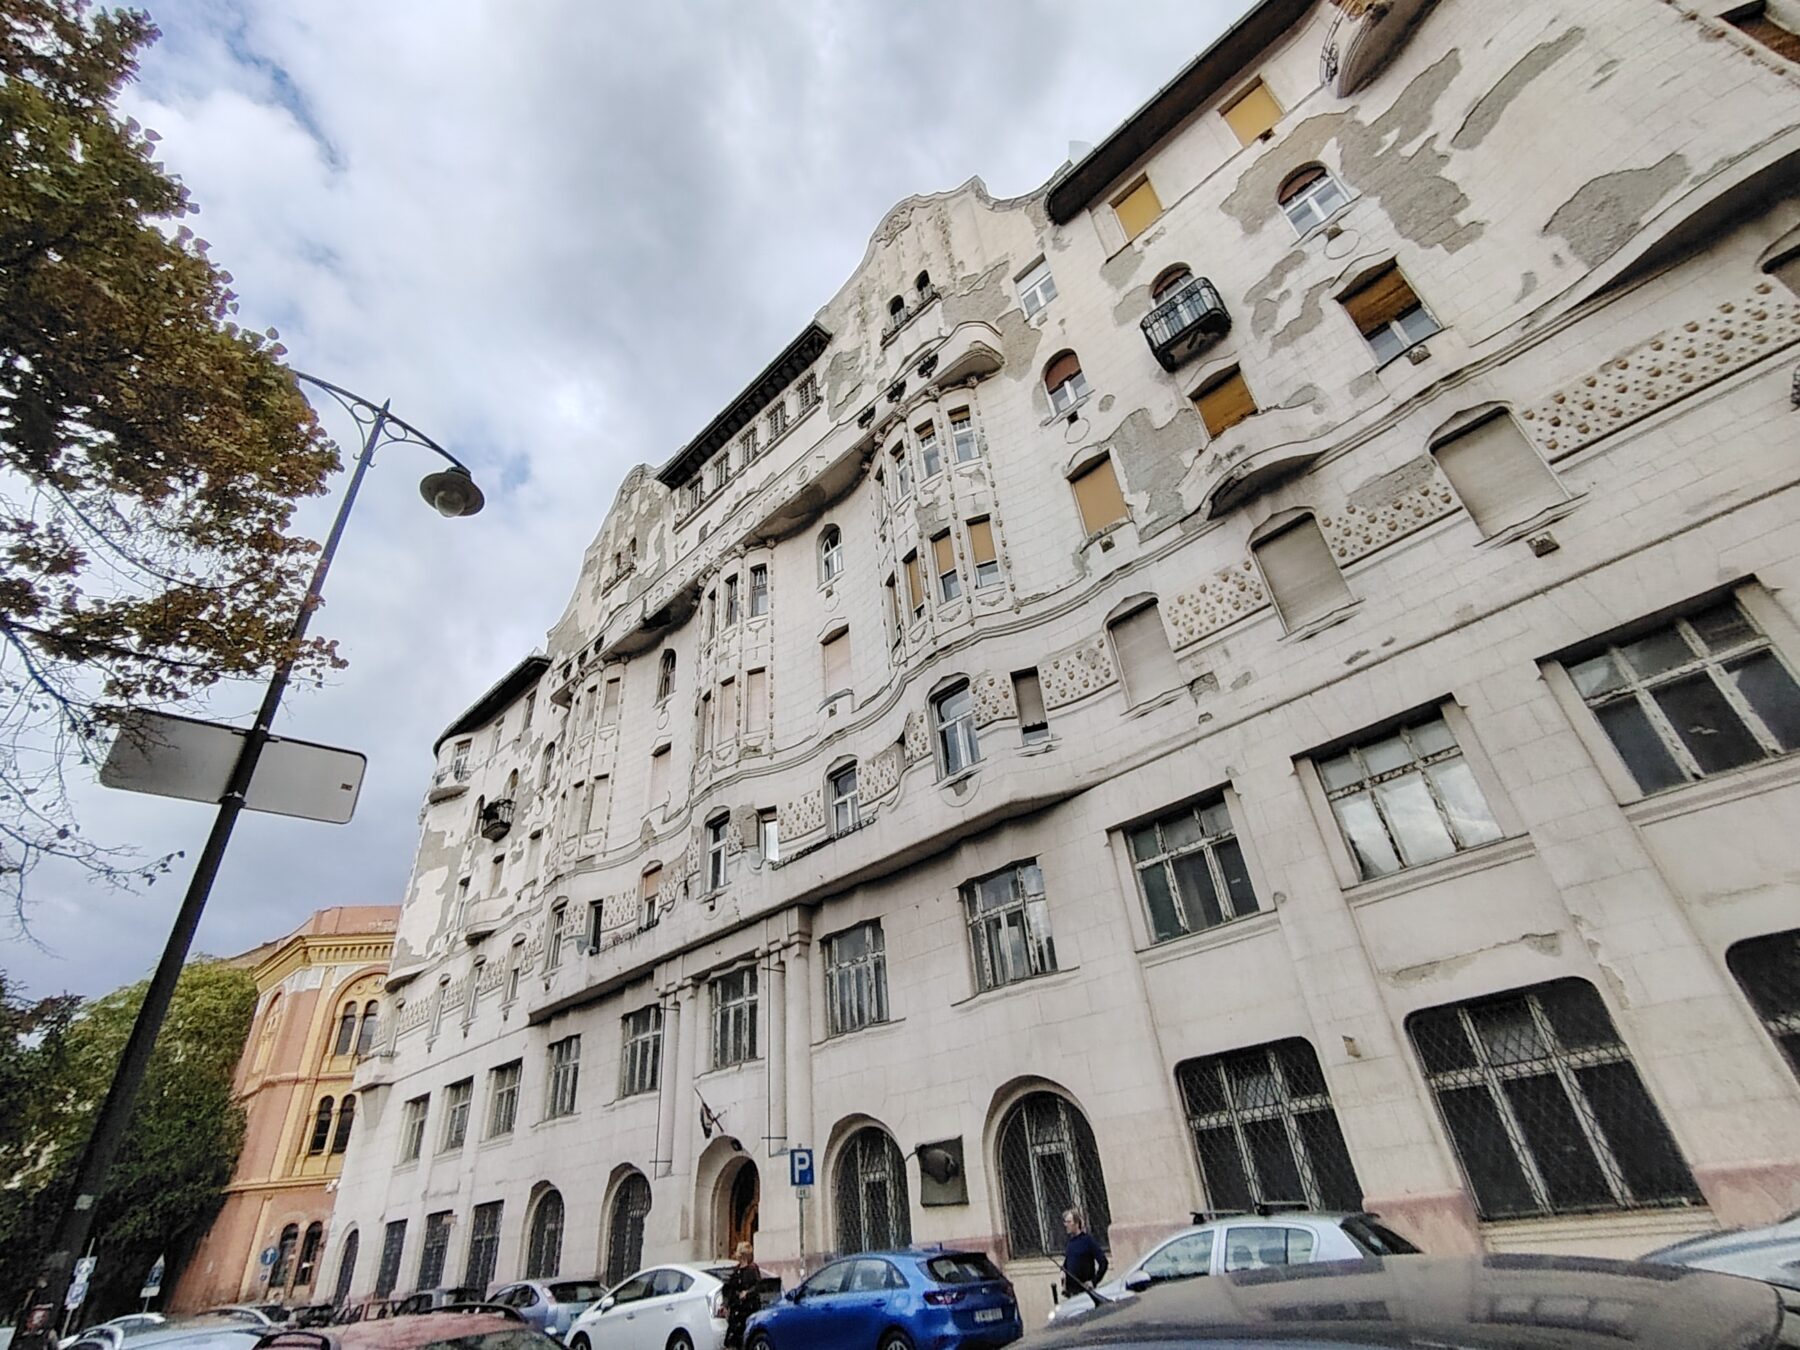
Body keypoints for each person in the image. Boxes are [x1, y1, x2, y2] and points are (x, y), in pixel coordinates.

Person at [720, 1241, 762, 1349]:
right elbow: (730, 1288)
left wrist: (747, 1293)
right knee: (734, 1339)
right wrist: (726, 1305)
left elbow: (758, 1286)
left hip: (749, 1309)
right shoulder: (737, 1271)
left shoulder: (752, 1269)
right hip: (737, 1310)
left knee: (746, 1337)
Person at [1060, 1208, 1108, 1299]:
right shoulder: (1070, 1244)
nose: (1066, 1225)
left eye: (1069, 1222)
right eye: (1065, 1222)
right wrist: (1063, 1272)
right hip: (1072, 1293)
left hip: (1085, 1292)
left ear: (1076, 1223)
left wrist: (1093, 1281)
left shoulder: (1087, 1241)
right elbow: (1067, 1264)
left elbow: (1103, 1262)